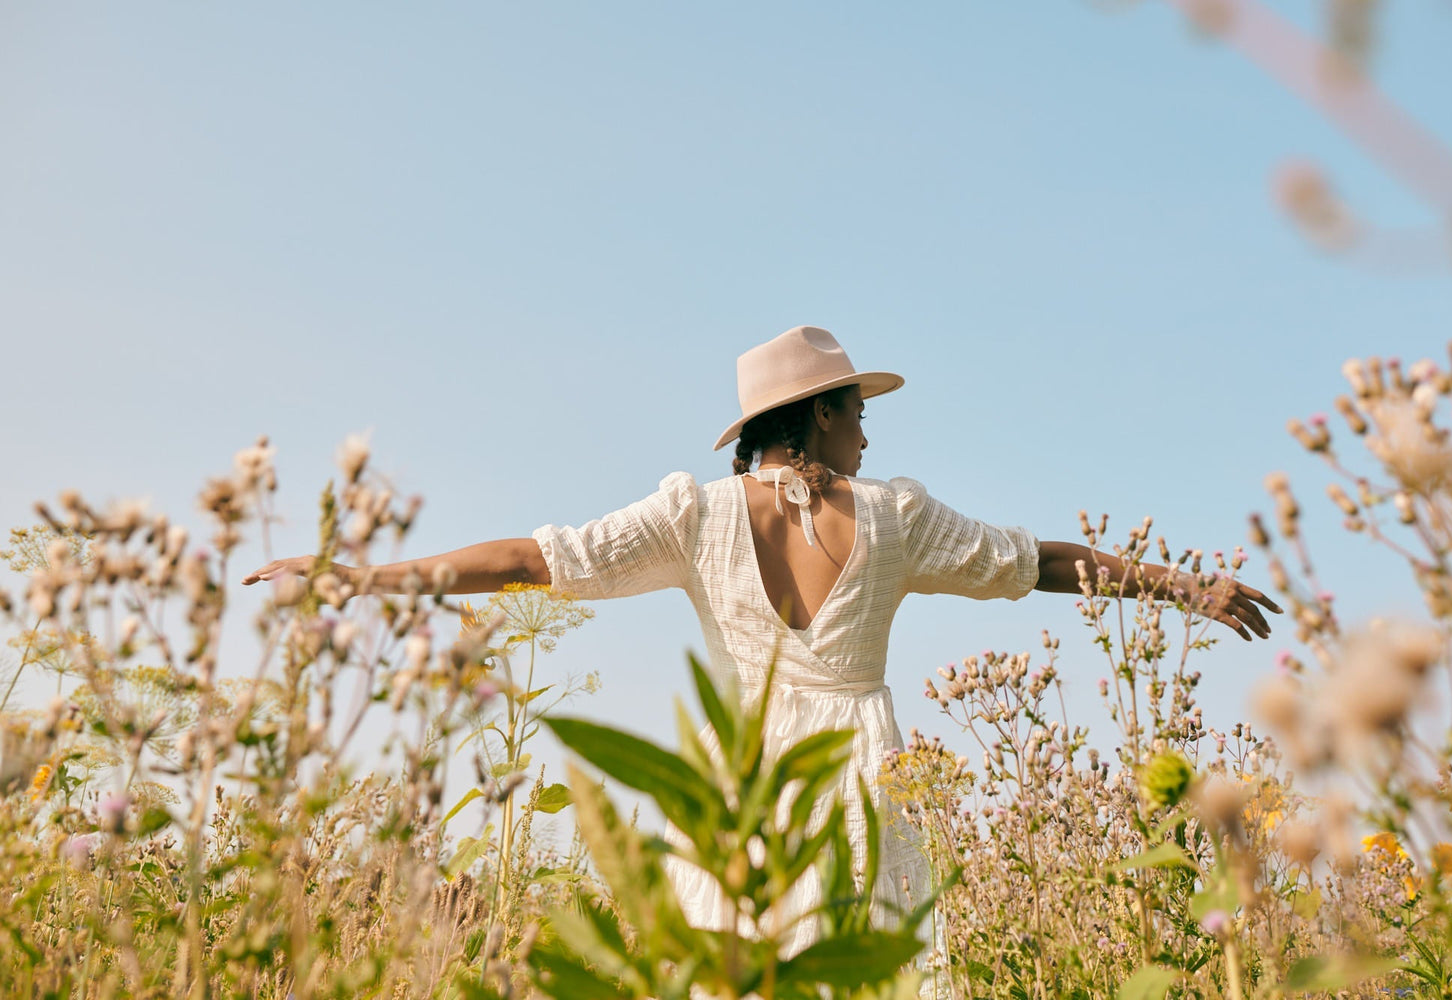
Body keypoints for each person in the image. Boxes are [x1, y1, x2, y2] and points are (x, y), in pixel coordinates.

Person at [244, 324, 1280, 958]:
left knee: (734, 962)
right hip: (864, 768)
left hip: (742, 773)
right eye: (856, 412)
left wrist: (361, 574)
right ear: (820, 415)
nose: (868, 432)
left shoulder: (692, 514)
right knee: (869, 963)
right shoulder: (897, 515)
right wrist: (1184, 587)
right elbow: (1036, 562)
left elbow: (531, 558)